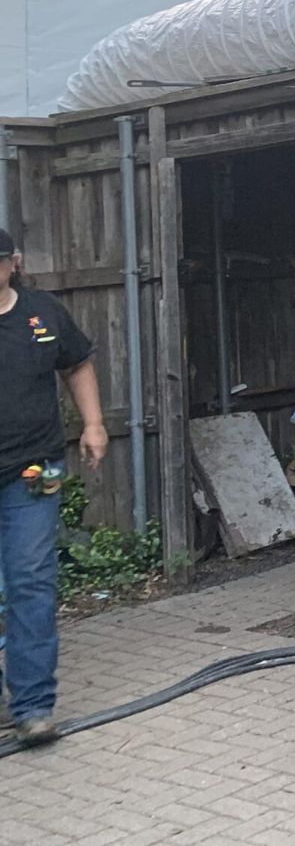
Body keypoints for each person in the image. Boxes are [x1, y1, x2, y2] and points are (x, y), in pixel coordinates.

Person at [0, 227, 106, 745]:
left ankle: (32, 707)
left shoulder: (42, 313)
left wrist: (94, 424)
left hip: (32, 473)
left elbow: (77, 365)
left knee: (30, 582)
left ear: (13, 262)